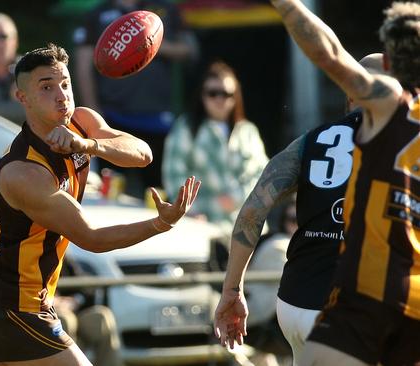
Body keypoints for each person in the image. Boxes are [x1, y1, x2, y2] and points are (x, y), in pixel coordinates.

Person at [0, 43, 200, 366]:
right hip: (11, 303)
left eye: (65, 84)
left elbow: (142, 153)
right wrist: (159, 224)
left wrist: (88, 145)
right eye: (46, 87)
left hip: (19, 300)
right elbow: (92, 238)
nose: (61, 94)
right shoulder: (23, 172)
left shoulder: (82, 121)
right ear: (22, 98)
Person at [246, 1, 420, 365]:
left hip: (369, 298)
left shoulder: (388, 107)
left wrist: (288, 5)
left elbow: (329, 54)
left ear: (389, 64)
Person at [214, 54, 384, 365]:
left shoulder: (311, 141)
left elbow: (254, 207)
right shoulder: (404, 140)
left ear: (349, 92)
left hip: (295, 303)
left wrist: (232, 288)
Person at [73, 0, 198, 198]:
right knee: (110, 193)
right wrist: (93, 110)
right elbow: (83, 65)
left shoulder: (163, 8)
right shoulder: (98, 14)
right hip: (113, 118)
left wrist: (148, 41)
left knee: (158, 194)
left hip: (156, 118)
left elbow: (189, 49)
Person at [162, 61, 268, 242]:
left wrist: (235, 198)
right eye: (213, 93)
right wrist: (192, 211)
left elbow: (263, 175)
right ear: (202, 96)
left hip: (249, 228)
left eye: (227, 93)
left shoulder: (248, 131)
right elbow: (174, 178)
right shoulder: (186, 128)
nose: (220, 99)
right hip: (202, 228)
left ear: (236, 96)